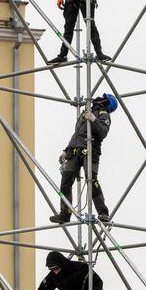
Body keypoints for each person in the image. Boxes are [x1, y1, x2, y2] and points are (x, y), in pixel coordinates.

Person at [50, 93, 117, 224]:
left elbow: (103, 132)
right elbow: (77, 134)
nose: (98, 98)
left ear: (107, 102)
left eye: (103, 97)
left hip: (90, 150)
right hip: (75, 151)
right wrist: (66, 150)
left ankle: (103, 213)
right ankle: (65, 213)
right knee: (66, 181)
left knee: (91, 180)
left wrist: (94, 120)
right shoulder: (86, 112)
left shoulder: (103, 114)